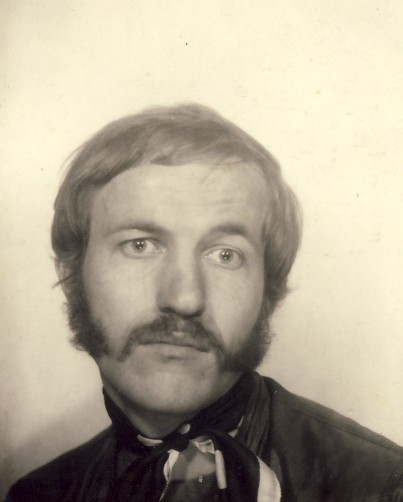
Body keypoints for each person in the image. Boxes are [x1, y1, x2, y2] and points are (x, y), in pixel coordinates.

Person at [6, 104, 403, 501]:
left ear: (268, 290)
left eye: (225, 255)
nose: (184, 299)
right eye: (139, 245)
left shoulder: (384, 487)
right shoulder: (35, 495)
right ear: (72, 274)